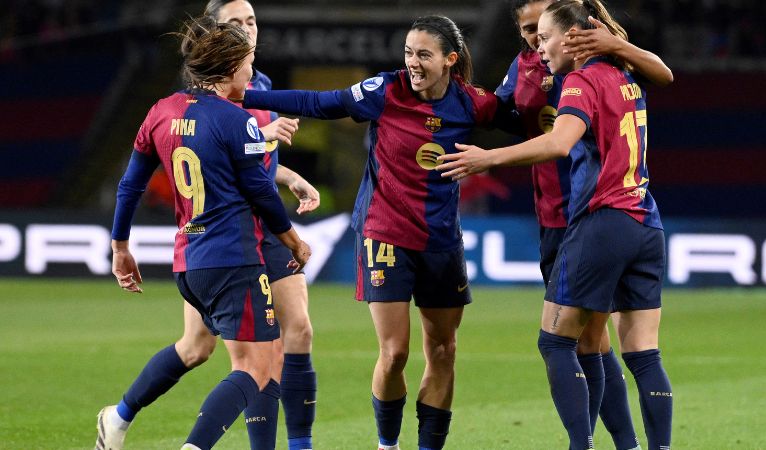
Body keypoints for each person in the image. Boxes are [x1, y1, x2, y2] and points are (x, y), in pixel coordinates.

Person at [237, 15, 502, 450]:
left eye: (423, 55)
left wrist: (496, 153)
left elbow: (524, 118)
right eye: (408, 53)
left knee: (443, 350)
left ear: (450, 59)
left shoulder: (471, 103)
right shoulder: (386, 91)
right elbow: (320, 102)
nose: (412, 63)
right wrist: (244, 96)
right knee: (395, 352)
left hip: (441, 241)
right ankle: (388, 444)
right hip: (385, 233)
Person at [437, 1, 673, 449]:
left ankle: (579, 446)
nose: (538, 47)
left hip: (601, 222)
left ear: (572, 37)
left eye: (544, 37)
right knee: (642, 353)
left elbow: (560, 142)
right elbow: (660, 73)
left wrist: (487, 158)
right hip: (646, 219)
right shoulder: (625, 73)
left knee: (556, 343)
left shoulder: (581, 80)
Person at [95, 2, 320, 450]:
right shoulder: (235, 117)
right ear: (226, 58)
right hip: (237, 247)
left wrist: (120, 245)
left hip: (191, 255)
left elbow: (132, 184)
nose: (248, 38)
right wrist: (293, 239)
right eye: (237, 28)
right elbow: (255, 188)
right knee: (252, 365)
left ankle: (120, 420)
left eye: (252, 21)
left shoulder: (163, 111)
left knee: (281, 340)